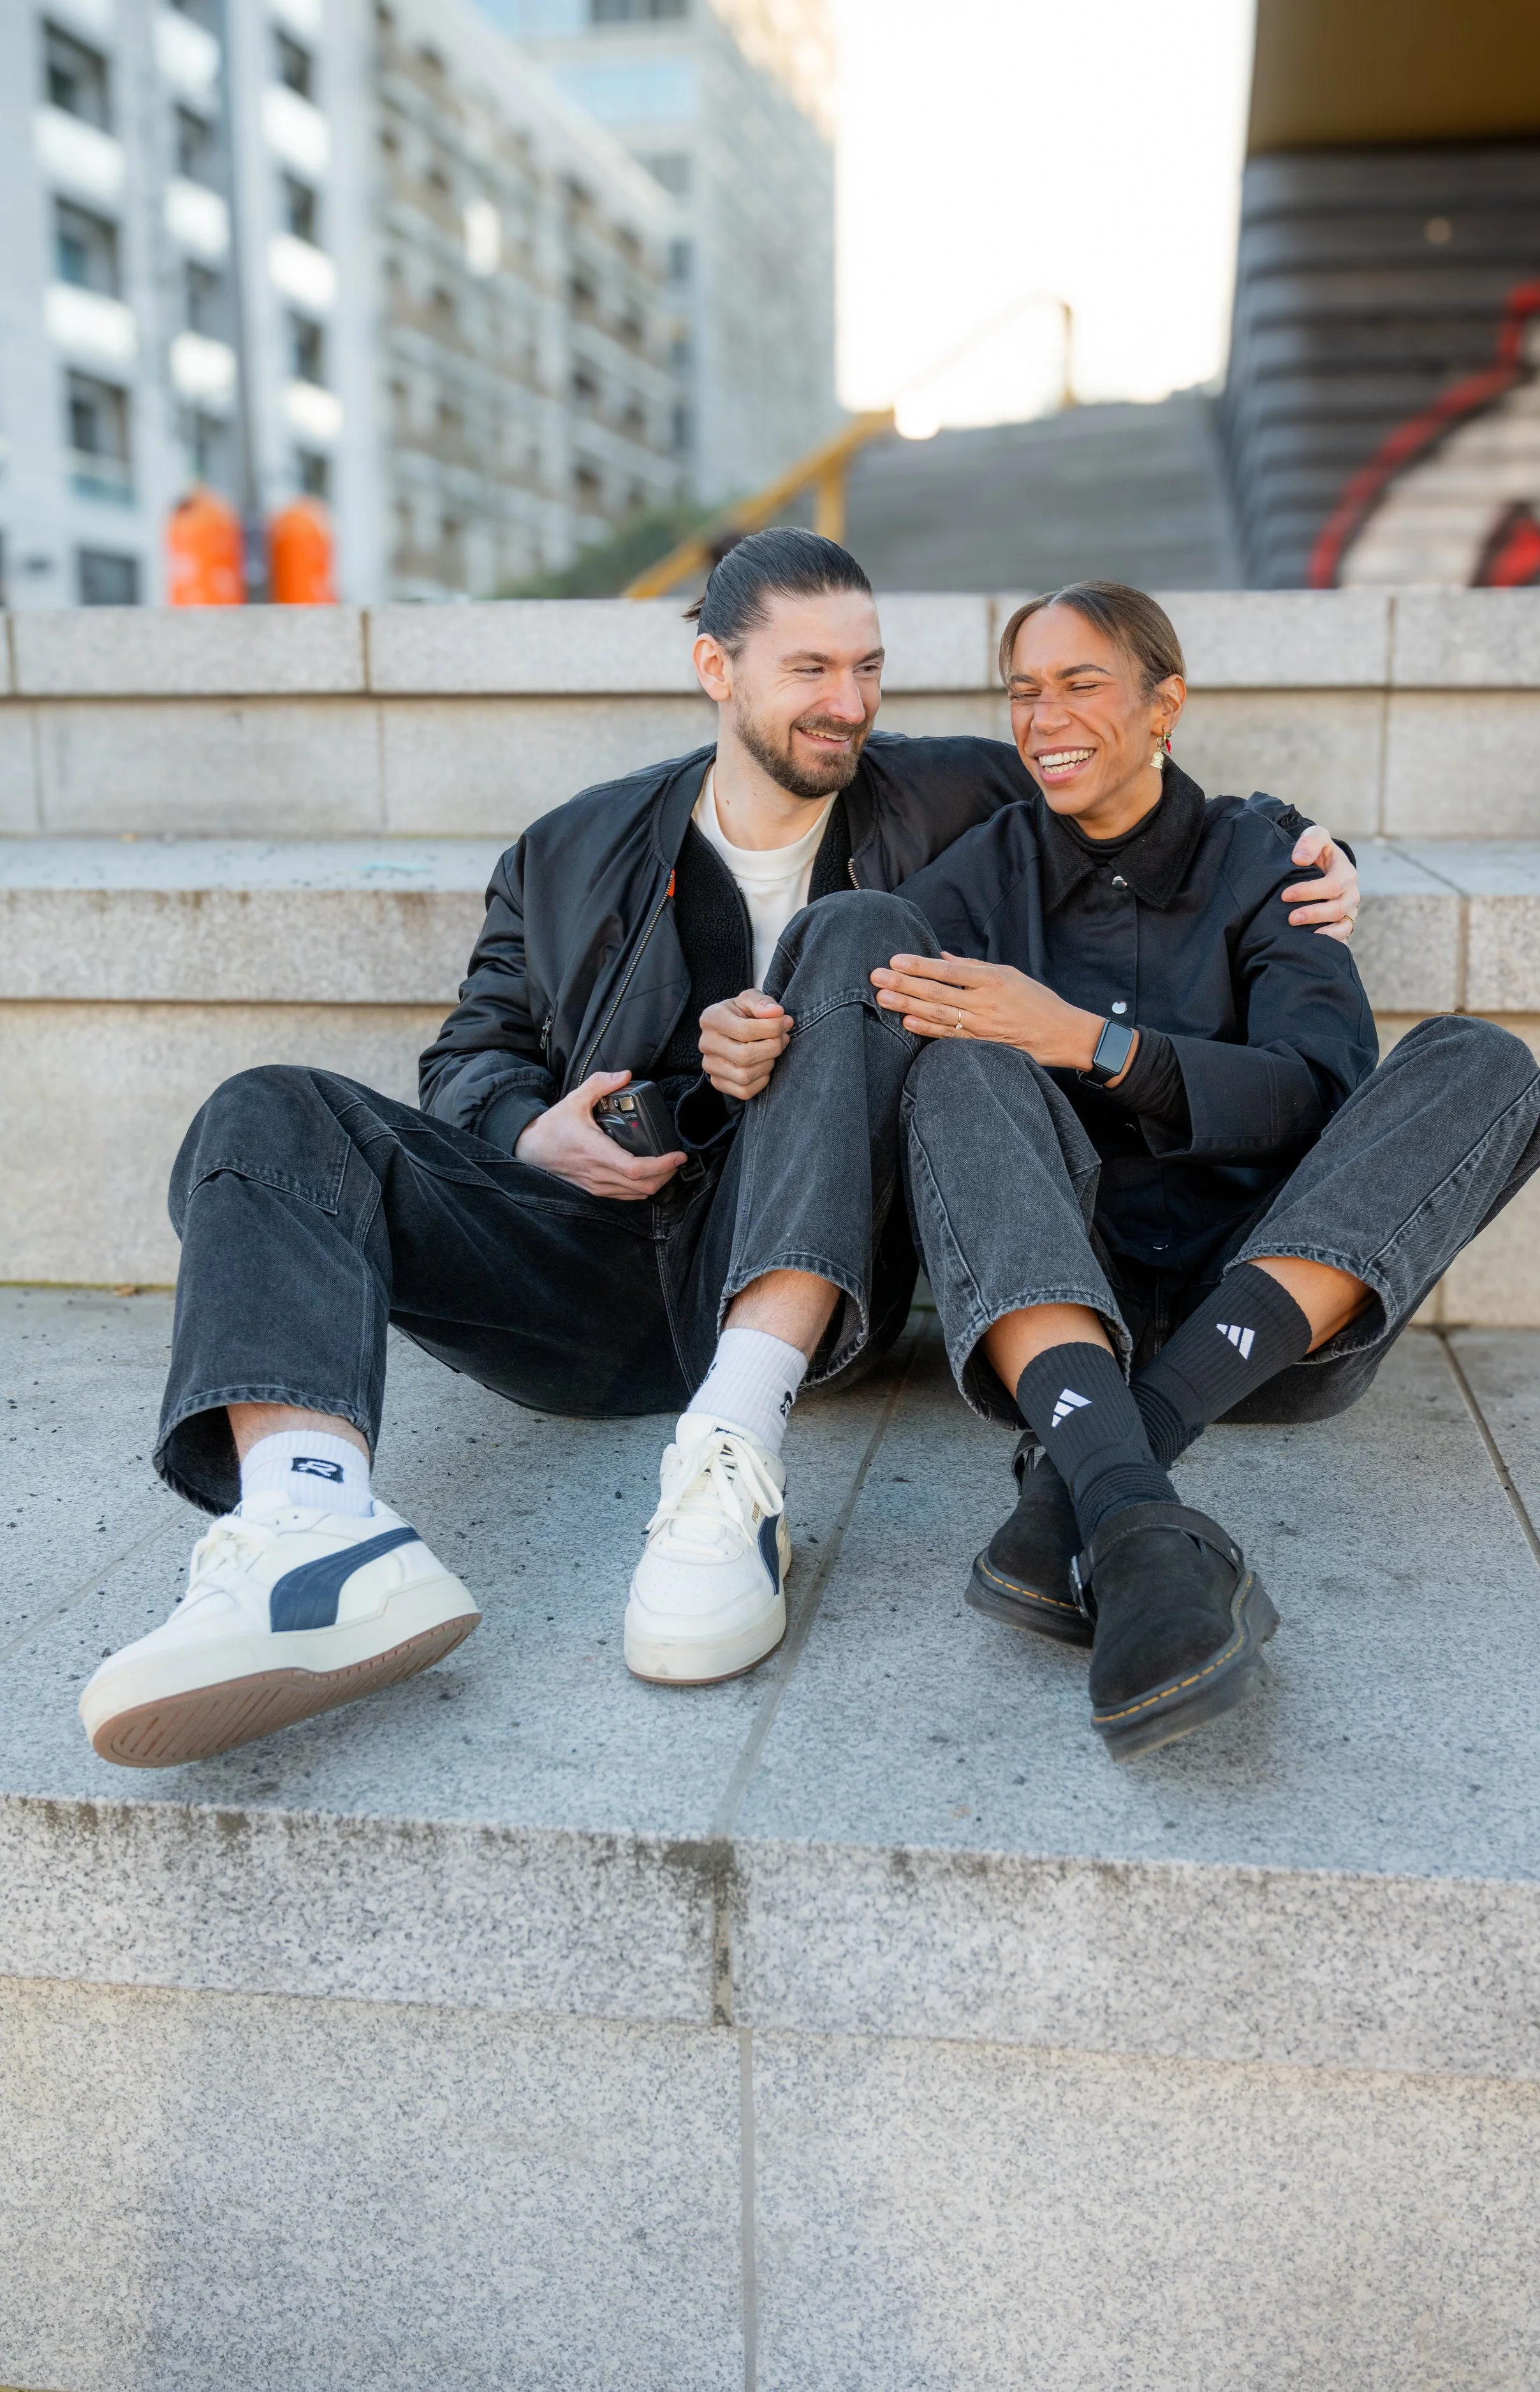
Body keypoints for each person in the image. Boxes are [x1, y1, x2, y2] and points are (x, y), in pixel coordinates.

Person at [78, 536, 1360, 1770]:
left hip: (828, 1269)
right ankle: (308, 1525)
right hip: (601, 1263)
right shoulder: (568, 851)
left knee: (859, 929)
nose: (846, 702)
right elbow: (470, 1054)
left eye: (866, 668)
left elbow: (1134, 797)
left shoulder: (956, 794)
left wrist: (1309, 851)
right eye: (809, 669)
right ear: (716, 671)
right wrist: (535, 1131)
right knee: (266, 1114)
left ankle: (730, 1455)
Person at [872, 581, 1540, 1761]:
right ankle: (1133, 1511)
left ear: (1164, 701)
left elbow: (1320, 1095)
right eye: (1024, 691)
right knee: (953, 1072)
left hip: (1273, 1321)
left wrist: (1094, 1042)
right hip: (1065, 1308)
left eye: (1081, 683)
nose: (1044, 718)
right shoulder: (980, 874)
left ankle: (1089, 1473)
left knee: (1485, 1063)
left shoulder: (1263, 855)